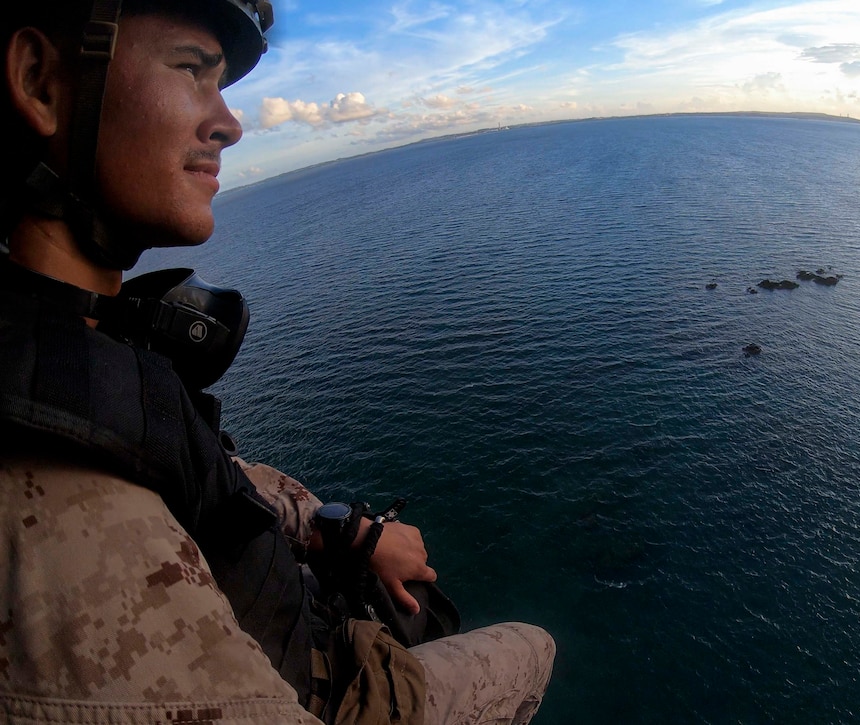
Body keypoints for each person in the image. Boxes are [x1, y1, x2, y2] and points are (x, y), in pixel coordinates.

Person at [0, 0, 555, 722]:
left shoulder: (74, 349)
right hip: (333, 686)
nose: (230, 122)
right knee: (533, 646)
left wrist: (347, 531)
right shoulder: (70, 526)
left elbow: (218, 481)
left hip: (302, 625)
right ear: (41, 83)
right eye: (192, 70)